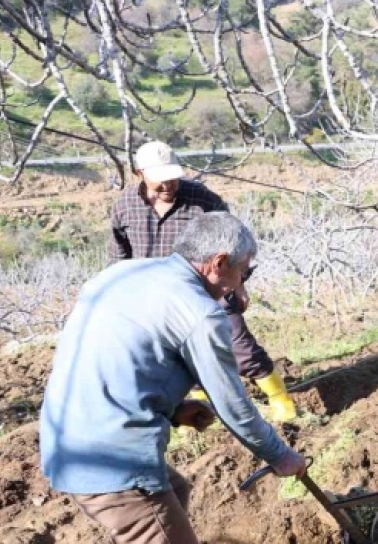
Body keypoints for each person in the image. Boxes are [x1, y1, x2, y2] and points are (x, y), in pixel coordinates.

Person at [40, 213, 308, 544]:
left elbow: (121, 361)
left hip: (66, 439)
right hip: (113, 459)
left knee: (168, 503)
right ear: (219, 262)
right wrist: (280, 455)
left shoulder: (123, 274)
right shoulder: (200, 313)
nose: (244, 281)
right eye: (246, 270)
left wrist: (173, 407)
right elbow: (234, 407)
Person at [109, 140, 298, 421]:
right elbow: (118, 256)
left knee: (239, 345)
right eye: (160, 179)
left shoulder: (203, 200)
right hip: (156, 296)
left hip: (210, 287)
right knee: (178, 357)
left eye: (173, 177)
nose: (169, 184)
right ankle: (198, 416)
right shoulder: (125, 206)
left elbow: (236, 242)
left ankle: (280, 399)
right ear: (139, 173)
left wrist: (240, 283)